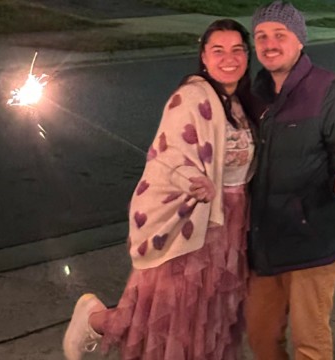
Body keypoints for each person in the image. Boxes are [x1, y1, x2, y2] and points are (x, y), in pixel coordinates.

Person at [62, 18, 256, 360]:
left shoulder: (242, 103)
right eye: (218, 50)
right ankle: (94, 319)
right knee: (165, 315)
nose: (229, 58)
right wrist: (193, 182)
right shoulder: (191, 98)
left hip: (233, 222)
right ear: (204, 57)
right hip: (194, 222)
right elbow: (168, 155)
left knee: (211, 315)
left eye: (238, 50)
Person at [245, 1, 335, 359]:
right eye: (261, 36)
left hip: (313, 237)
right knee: (260, 336)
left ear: (300, 40)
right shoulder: (254, 95)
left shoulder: (331, 90)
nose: (269, 44)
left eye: (280, 34)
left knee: (309, 342)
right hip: (264, 241)